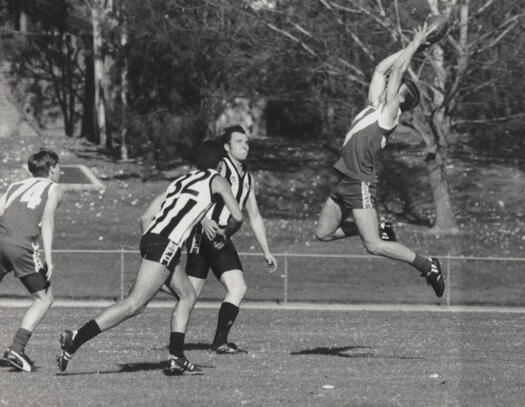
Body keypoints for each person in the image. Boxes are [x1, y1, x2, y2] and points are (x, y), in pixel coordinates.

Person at [57, 141, 244, 375]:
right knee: (135, 304)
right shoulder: (217, 179)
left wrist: (153, 247)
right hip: (166, 244)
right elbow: (238, 216)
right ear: (220, 162)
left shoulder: (180, 181)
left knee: (188, 294)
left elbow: (146, 217)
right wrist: (224, 234)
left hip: (154, 239)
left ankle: (177, 356)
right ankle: (75, 338)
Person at [315, 25, 445, 298]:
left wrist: (416, 43)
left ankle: (428, 265)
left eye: (393, 86)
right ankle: (381, 227)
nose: (388, 84)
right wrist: (415, 45)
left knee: (373, 245)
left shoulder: (390, 113)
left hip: (359, 182)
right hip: (345, 179)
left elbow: (396, 71)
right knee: (323, 233)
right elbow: (380, 70)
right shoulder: (375, 105)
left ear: (400, 96)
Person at [180, 125, 277, 354]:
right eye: (239, 141)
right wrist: (203, 219)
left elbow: (254, 215)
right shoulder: (220, 167)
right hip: (202, 236)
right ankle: (176, 344)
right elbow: (196, 192)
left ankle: (220, 342)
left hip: (222, 239)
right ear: (226, 147)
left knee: (238, 287)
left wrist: (266, 250)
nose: (245, 145)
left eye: (247, 142)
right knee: (189, 294)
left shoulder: (248, 177)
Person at [0, 150, 63, 372]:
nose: (60, 171)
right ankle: (17, 349)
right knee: (44, 299)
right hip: (22, 245)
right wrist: (49, 258)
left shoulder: (15, 185)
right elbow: (47, 222)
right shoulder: (54, 188)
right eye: (59, 167)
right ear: (52, 168)